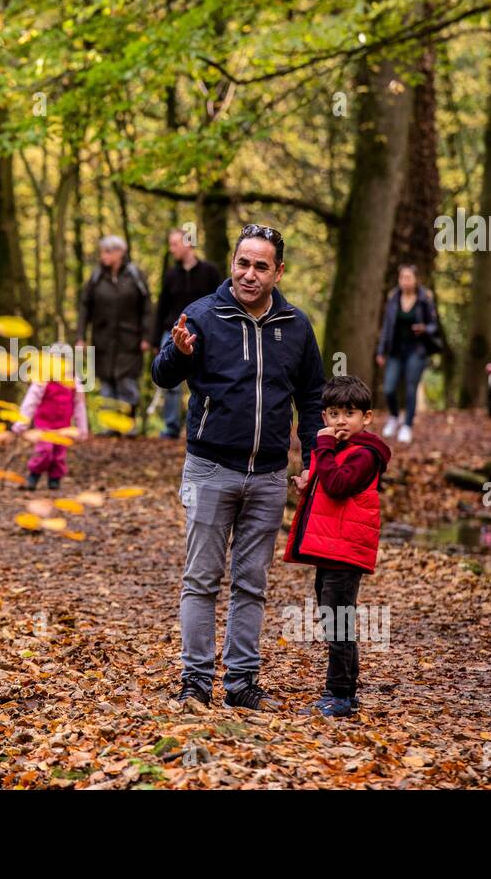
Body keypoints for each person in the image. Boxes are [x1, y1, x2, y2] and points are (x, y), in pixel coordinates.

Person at [151, 223, 326, 710]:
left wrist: (311, 458)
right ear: (232, 263)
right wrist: (178, 353)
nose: (249, 274)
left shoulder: (296, 326)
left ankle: (243, 683)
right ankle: (195, 682)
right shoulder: (203, 315)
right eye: (242, 263)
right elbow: (163, 376)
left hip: (269, 475)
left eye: (261, 266)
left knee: (252, 583)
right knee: (201, 579)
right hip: (210, 468)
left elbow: (312, 399)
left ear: (278, 272)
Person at [283, 375, 391, 717]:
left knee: (339, 622)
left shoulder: (365, 454)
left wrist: (324, 451)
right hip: (330, 549)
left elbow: (339, 484)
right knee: (334, 619)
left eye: (349, 413)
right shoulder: (340, 449)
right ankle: (346, 690)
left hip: (346, 552)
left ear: (366, 417)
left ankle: (339, 694)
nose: (340, 420)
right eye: (333, 413)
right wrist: (307, 480)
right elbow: (328, 482)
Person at [75, 235, 154, 433]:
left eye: (107, 252)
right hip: (103, 339)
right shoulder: (96, 278)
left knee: (126, 381)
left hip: (130, 339)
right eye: (102, 252)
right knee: (107, 381)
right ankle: (110, 426)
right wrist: (80, 337)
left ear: (120, 252)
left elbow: (147, 308)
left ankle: (128, 425)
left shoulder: (135, 276)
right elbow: (85, 308)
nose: (103, 256)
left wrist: (147, 336)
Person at [152, 229, 221, 438]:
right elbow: (162, 308)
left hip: (204, 334)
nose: (171, 249)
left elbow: (220, 302)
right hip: (172, 333)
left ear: (187, 244)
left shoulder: (210, 271)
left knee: (205, 380)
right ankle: (171, 427)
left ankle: (205, 426)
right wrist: (155, 340)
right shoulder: (171, 275)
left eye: (174, 244)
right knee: (171, 385)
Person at [374, 264, 440, 444]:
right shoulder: (393, 298)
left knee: (411, 388)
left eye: (408, 277)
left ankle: (407, 425)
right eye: (402, 277)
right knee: (389, 388)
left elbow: (435, 325)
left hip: (417, 351)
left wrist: (424, 328)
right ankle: (395, 417)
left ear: (416, 279)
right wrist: (381, 351)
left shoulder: (424, 298)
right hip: (395, 351)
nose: (405, 281)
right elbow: (387, 327)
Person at [10, 347, 90, 491]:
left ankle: (55, 479)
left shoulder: (74, 381)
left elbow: (80, 405)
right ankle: (33, 475)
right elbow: (31, 402)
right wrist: (21, 422)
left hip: (64, 426)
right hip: (44, 424)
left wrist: (82, 429)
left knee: (59, 454)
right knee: (44, 450)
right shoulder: (43, 379)